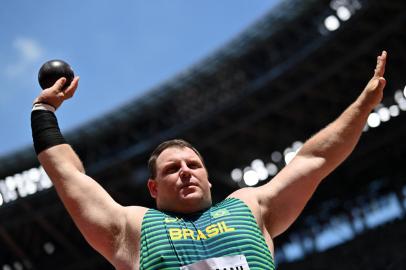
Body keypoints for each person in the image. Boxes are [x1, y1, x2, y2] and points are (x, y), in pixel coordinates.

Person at [31, 51, 388, 270]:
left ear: (209, 178)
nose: (185, 172)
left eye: (193, 165)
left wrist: (363, 107)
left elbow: (316, 157)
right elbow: (68, 176)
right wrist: (44, 111)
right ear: (153, 188)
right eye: (172, 169)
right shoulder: (132, 228)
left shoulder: (250, 206)